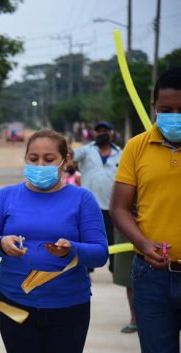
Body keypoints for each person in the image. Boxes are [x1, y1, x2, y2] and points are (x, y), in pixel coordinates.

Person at [0, 129, 108, 353]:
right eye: (33, 159)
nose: (40, 165)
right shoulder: (6, 196)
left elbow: (100, 253)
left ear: (66, 161)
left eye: (49, 159)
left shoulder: (82, 199)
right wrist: (1, 244)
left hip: (69, 306)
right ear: (25, 158)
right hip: (13, 303)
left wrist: (72, 249)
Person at [110, 67, 181, 353]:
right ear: (154, 107)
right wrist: (142, 242)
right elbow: (119, 208)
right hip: (152, 277)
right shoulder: (136, 148)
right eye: (166, 109)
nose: (175, 115)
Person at [73, 121, 122, 273]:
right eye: (99, 131)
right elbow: (71, 156)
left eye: (105, 131)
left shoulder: (121, 153)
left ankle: (115, 267)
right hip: (89, 205)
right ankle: (87, 268)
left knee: (112, 238)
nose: (102, 134)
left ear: (112, 133)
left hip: (111, 205)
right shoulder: (86, 150)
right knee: (88, 237)